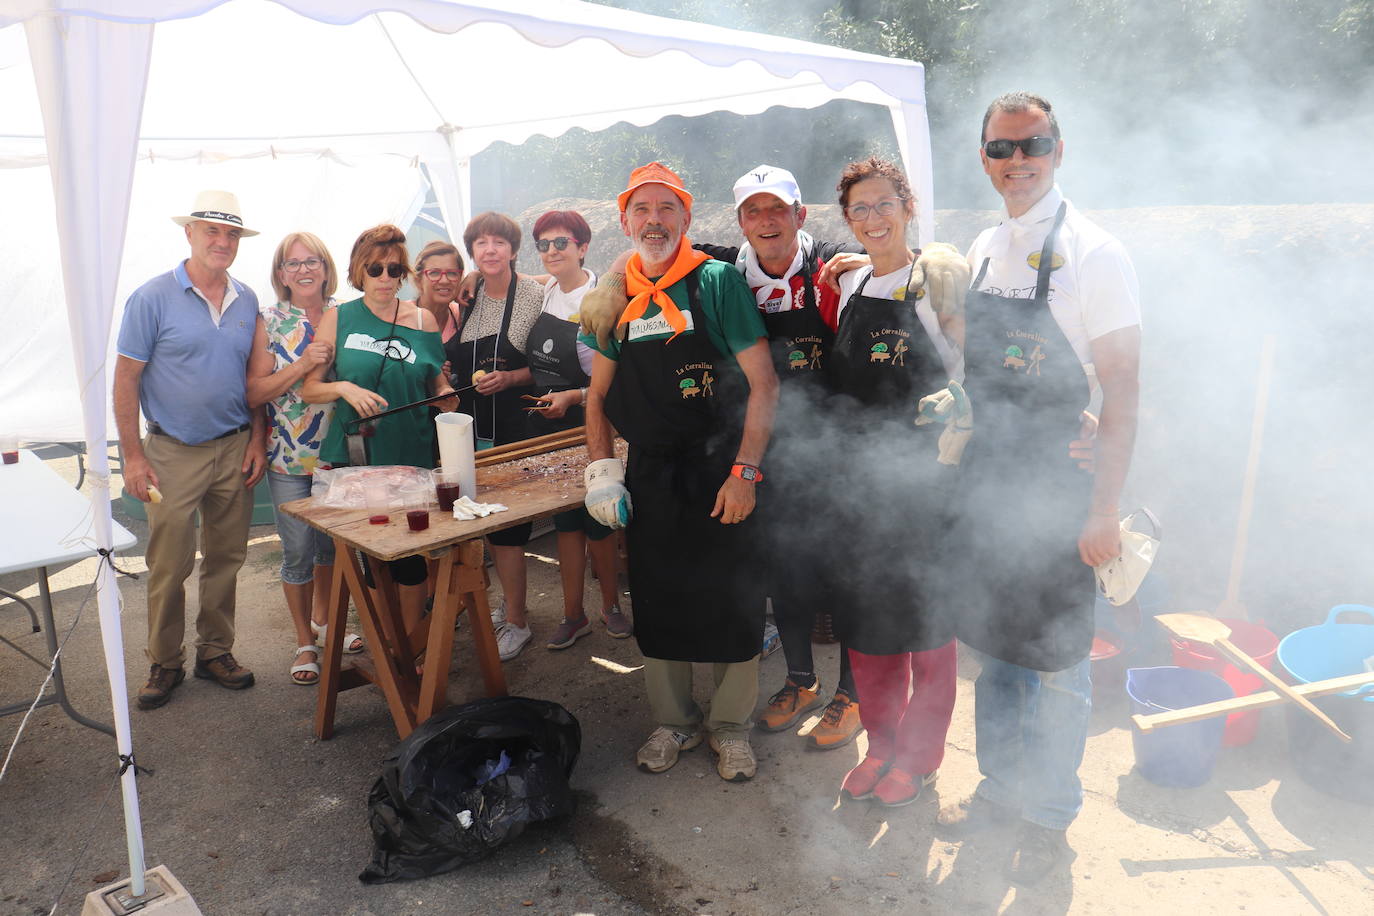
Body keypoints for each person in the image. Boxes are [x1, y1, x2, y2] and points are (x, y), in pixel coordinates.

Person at [935, 92, 1141, 886]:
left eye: (1032, 145)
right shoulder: (985, 246)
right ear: (983, 156)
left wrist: (1103, 508)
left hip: (1060, 493)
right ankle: (999, 790)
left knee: (1056, 667)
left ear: (1059, 149)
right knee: (997, 657)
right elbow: (975, 360)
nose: (1016, 160)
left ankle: (1049, 816)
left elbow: (1122, 390)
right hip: (990, 485)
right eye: (999, 148)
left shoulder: (1096, 254)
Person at [580, 162, 778, 782]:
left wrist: (745, 472)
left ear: (687, 220)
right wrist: (603, 474)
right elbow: (596, 399)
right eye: (642, 211)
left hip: (722, 467)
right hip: (654, 475)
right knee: (661, 596)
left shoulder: (716, 283)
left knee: (732, 598)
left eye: (667, 209)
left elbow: (764, 384)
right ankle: (673, 721)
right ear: (625, 222)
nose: (654, 221)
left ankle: (728, 727)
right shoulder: (619, 298)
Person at [695, 165, 863, 750]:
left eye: (777, 210)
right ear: (740, 221)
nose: (766, 221)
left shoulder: (835, 262)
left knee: (844, 579)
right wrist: (613, 282)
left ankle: (853, 692)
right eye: (753, 211)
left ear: (800, 215)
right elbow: (645, 255)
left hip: (839, 448)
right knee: (785, 570)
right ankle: (800, 681)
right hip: (770, 447)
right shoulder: (725, 269)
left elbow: (897, 261)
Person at [819, 158, 964, 807]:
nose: (873, 218)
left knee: (928, 628)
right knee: (869, 626)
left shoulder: (936, 284)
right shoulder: (850, 288)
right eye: (860, 210)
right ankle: (880, 744)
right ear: (848, 221)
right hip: (857, 492)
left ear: (907, 207)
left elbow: (971, 371)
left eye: (884, 204)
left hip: (925, 485)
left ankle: (921, 756)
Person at [114, 189, 267, 709]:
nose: (222, 241)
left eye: (231, 233)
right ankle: (164, 661)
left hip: (234, 447)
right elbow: (125, 380)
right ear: (189, 234)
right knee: (168, 563)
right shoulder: (152, 297)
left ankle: (215, 652)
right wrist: (133, 457)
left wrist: (257, 440)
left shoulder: (247, 299)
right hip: (172, 451)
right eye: (212, 230)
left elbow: (254, 382)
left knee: (226, 558)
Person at [303, 224, 456, 634]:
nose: (386, 278)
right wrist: (344, 386)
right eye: (375, 269)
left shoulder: (423, 319)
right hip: (359, 457)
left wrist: (445, 392)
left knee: (411, 555)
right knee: (371, 559)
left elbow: (435, 378)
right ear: (358, 270)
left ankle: (411, 644)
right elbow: (310, 388)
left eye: (394, 269)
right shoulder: (339, 318)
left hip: (412, 451)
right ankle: (388, 644)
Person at [246, 231, 364, 686]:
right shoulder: (269, 320)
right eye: (293, 264)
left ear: (325, 266)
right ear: (280, 274)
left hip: (340, 454)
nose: (304, 270)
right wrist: (301, 365)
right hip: (288, 457)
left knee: (332, 549)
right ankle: (304, 640)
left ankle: (328, 620)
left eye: (311, 260)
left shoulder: (347, 314)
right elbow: (255, 391)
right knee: (297, 552)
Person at [523, 210, 631, 649]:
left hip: (593, 420)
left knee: (599, 521)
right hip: (551, 425)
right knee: (566, 525)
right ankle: (573, 614)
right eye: (544, 245)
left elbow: (617, 378)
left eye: (561, 243)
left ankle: (611, 606)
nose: (551, 252)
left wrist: (574, 397)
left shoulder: (599, 296)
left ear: (583, 247)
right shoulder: (546, 290)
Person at [443, 212, 546, 660]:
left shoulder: (534, 294)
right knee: (471, 518)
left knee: (509, 527)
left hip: (515, 421)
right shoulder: (469, 295)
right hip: (468, 424)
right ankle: (492, 607)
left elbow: (550, 364)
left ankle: (518, 621)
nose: (489, 250)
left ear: (513, 249)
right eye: (481, 243)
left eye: (498, 242)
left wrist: (511, 379)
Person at [413, 240, 465, 344]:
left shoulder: (463, 318)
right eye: (434, 273)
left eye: (452, 273)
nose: (444, 280)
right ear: (418, 280)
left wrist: (476, 275)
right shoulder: (399, 318)